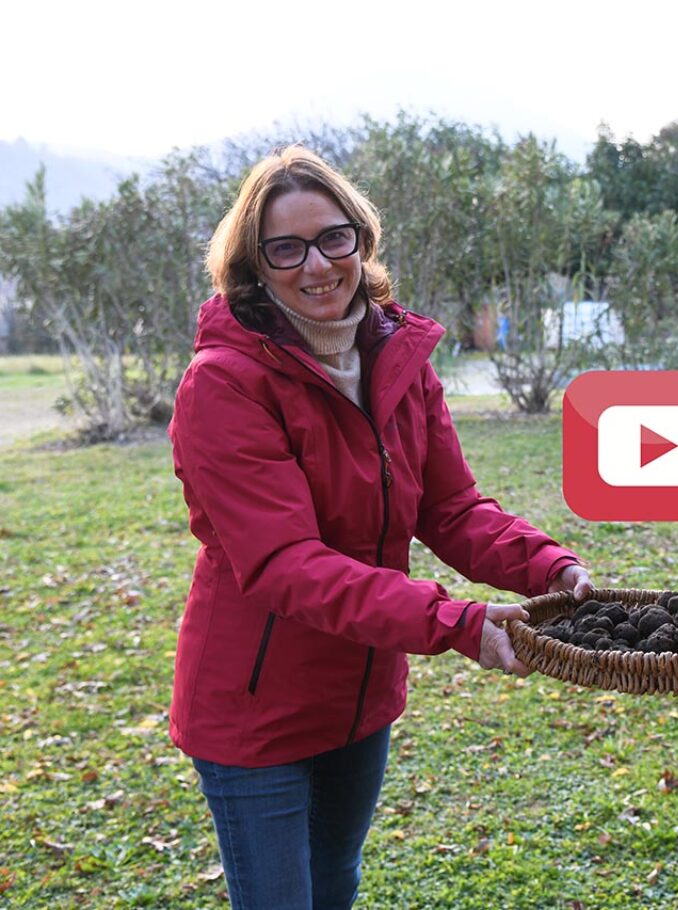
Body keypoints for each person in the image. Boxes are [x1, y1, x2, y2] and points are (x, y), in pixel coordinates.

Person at [168, 145, 593, 910]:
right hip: (254, 709)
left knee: (334, 889)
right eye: (285, 248)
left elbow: (450, 507)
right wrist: (455, 621)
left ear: (361, 239)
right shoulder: (224, 384)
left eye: (334, 238)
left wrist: (548, 566)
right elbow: (285, 564)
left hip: (359, 696)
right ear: (253, 266)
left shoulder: (397, 360)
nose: (317, 265)